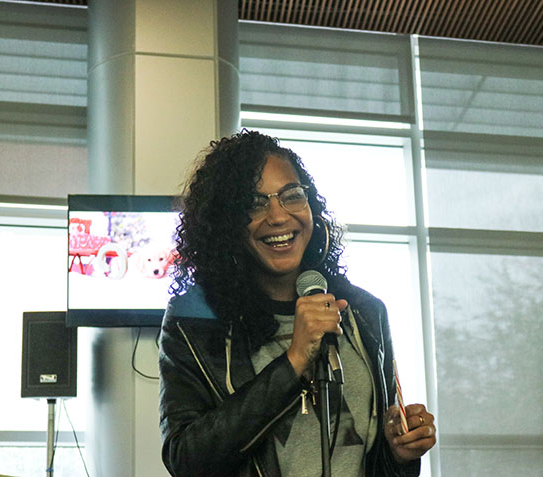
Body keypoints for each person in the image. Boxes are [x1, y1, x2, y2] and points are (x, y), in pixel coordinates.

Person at [158, 130, 436, 476]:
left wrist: (399, 454)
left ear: (311, 208)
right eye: (254, 203)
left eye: (291, 196)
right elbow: (186, 459)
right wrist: (293, 361)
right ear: (226, 223)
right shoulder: (195, 323)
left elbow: (372, 460)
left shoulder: (364, 312)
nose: (277, 216)